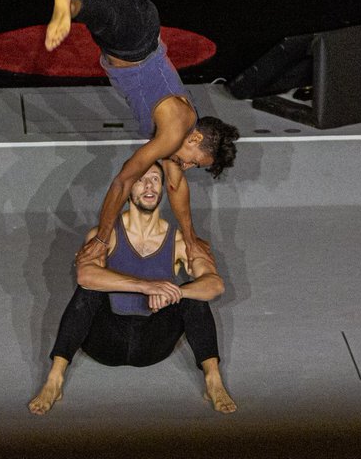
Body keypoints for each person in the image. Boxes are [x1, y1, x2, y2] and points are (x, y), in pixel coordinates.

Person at [11, 0, 240, 265]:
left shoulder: (182, 129)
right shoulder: (172, 132)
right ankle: (73, 7)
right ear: (194, 140)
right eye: (195, 161)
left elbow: (176, 187)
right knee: (101, 15)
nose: (187, 166)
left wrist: (191, 238)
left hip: (135, 12)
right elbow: (124, 180)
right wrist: (103, 236)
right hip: (134, 39)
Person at [28, 163, 237, 415]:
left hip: (154, 342)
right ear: (127, 190)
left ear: (163, 189)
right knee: (87, 291)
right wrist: (147, 287)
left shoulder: (180, 240)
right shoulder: (105, 235)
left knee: (195, 295)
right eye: (140, 180)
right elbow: (85, 275)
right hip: (105, 340)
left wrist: (175, 293)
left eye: (155, 179)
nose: (148, 185)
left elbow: (215, 284)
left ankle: (213, 380)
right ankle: (54, 380)